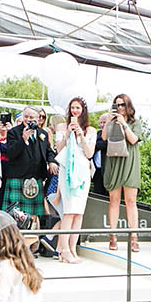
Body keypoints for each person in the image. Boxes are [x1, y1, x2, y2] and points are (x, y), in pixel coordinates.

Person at [55, 97, 96, 263]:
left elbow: (89, 153)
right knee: (69, 210)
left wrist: (81, 135)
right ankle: (63, 248)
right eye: (72, 108)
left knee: (79, 213)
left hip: (82, 172)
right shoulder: (61, 126)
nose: (75, 111)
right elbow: (58, 149)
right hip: (67, 172)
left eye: (78, 108)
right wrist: (67, 134)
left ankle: (73, 248)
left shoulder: (90, 130)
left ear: (83, 110)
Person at [102, 93, 142, 252]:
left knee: (131, 200)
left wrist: (123, 123)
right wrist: (108, 120)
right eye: (116, 105)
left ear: (128, 106)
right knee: (114, 199)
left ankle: (134, 237)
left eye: (122, 105)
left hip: (130, 161)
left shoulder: (135, 122)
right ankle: (113, 236)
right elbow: (104, 137)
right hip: (114, 160)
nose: (119, 108)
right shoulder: (111, 121)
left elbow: (133, 140)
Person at [3, 106, 58, 217]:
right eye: (26, 116)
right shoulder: (13, 132)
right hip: (18, 178)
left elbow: (48, 151)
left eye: (31, 117)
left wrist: (51, 161)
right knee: (15, 214)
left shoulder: (43, 133)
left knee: (34, 215)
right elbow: (11, 153)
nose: (28, 119)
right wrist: (23, 139)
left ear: (38, 119)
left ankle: (33, 234)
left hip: (36, 178)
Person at [0, 116, 12, 210]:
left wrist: (11, 131)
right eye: (0, 122)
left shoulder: (13, 137)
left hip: (9, 169)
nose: (3, 124)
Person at [91, 113, 109, 196]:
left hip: (108, 171)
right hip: (97, 170)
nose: (102, 125)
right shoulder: (97, 134)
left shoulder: (112, 134)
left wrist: (96, 144)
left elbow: (103, 144)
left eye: (104, 122)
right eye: (101, 122)